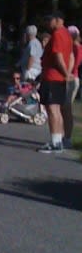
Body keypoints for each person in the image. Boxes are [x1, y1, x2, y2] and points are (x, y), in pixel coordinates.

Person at [37, 11, 73, 153]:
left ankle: (55, 142)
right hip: (59, 77)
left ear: (58, 20)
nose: (48, 23)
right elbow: (70, 56)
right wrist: (67, 73)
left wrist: (65, 73)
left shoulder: (58, 34)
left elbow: (58, 56)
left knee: (52, 109)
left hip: (52, 76)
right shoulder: (68, 35)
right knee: (56, 109)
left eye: (50, 20)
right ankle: (58, 141)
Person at [63, 25, 82, 148]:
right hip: (71, 77)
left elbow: (75, 63)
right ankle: (65, 136)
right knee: (64, 108)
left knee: (67, 108)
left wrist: (67, 74)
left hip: (71, 78)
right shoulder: (74, 47)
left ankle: (68, 138)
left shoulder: (76, 47)